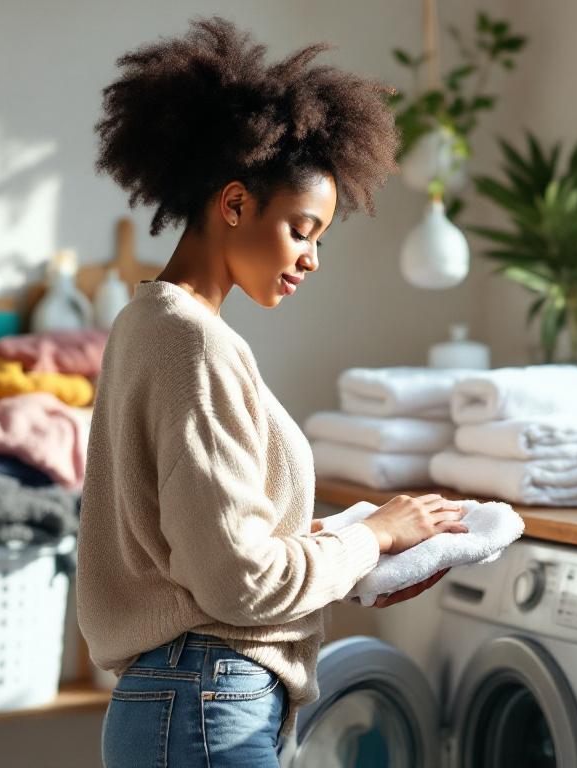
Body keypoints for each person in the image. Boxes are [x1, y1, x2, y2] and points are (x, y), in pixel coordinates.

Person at [76, 16, 468, 767]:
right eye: (301, 228)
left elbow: (213, 560)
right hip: (205, 700)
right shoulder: (191, 343)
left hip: (192, 700)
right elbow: (237, 583)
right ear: (233, 205)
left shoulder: (151, 323)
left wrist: (360, 567)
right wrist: (372, 536)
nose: (312, 258)